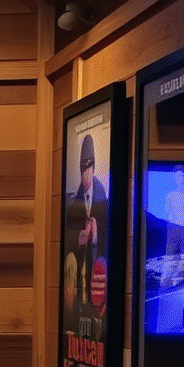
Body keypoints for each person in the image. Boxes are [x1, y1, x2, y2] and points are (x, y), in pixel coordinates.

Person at [65, 133, 108, 314]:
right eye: (83, 168)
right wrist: (80, 239)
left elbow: (107, 238)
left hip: (96, 272)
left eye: (89, 167)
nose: (86, 174)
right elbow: (69, 234)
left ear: (94, 168)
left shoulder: (102, 198)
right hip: (81, 270)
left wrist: (95, 235)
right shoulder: (76, 201)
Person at [162, 164, 184, 288]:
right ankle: (165, 284)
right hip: (173, 229)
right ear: (174, 177)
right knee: (170, 257)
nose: (179, 178)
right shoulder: (170, 195)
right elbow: (167, 213)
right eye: (177, 176)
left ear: (183, 177)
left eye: (181, 175)